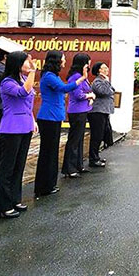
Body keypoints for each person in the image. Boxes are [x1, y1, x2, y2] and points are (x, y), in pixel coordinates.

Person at [34, 50, 88, 196]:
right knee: (48, 153)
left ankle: (50, 184)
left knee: (52, 153)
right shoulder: (49, 76)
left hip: (55, 117)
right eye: (63, 59)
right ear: (56, 61)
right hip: (48, 117)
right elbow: (64, 88)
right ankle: (43, 186)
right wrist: (82, 78)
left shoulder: (53, 76)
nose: (64, 62)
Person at [0, 51, 37, 219]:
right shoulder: (7, 82)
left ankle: (14, 199)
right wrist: (33, 72)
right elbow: (23, 93)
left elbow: (28, 101)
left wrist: (32, 120)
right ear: (18, 64)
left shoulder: (24, 79)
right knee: (7, 168)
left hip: (25, 126)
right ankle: (3, 206)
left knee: (19, 166)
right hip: (11, 128)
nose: (30, 64)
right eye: (27, 62)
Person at [64, 53, 95, 177]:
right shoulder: (75, 77)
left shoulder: (83, 76)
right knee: (74, 140)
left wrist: (90, 95)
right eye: (88, 62)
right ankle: (70, 168)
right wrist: (89, 96)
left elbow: (87, 89)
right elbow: (78, 95)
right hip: (76, 111)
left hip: (83, 110)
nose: (89, 64)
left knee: (80, 139)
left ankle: (78, 165)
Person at [88, 62, 115, 168]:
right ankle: (93, 159)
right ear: (99, 70)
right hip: (97, 112)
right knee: (96, 136)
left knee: (101, 135)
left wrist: (108, 85)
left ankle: (96, 156)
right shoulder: (97, 81)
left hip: (104, 111)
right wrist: (107, 83)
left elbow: (112, 90)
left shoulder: (103, 81)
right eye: (104, 68)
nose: (107, 69)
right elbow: (104, 91)